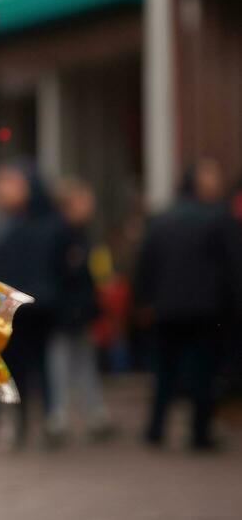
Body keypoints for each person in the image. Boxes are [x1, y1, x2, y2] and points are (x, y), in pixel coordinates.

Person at [135, 157, 239, 451]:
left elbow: (145, 263)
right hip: (206, 310)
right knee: (203, 372)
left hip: (168, 309)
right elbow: (233, 267)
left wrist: (144, 301)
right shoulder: (220, 219)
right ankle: (199, 433)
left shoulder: (163, 219)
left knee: (165, 371)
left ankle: (156, 429)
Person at [0, 160, 65, 448]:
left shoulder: (48, 224)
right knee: (14, 367)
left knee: (41, 364)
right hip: (10, 310)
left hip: (38, 308)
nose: (4, 189)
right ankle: (20, 422)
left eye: (11, 182)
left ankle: (49, 420)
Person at [46, 176, 114, 443]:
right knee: (62, 362)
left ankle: (93, 413)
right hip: (65, 312)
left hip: (80, 311)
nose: (90, 205)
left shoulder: (84, 233)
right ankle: (60, 416)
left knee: (83, 361)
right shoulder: (62, 236)